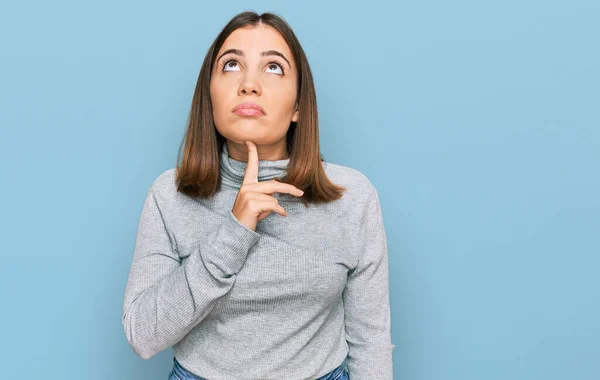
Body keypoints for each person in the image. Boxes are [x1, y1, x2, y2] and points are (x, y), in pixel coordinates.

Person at [122, 10, 394, 380]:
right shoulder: (169, 197)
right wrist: (235, 230)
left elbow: (371, 341)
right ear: (210, 95)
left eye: (274, 68)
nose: (250, 84)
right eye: (231, 65)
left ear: (299, 105)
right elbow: (143, 334)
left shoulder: (353, 198)